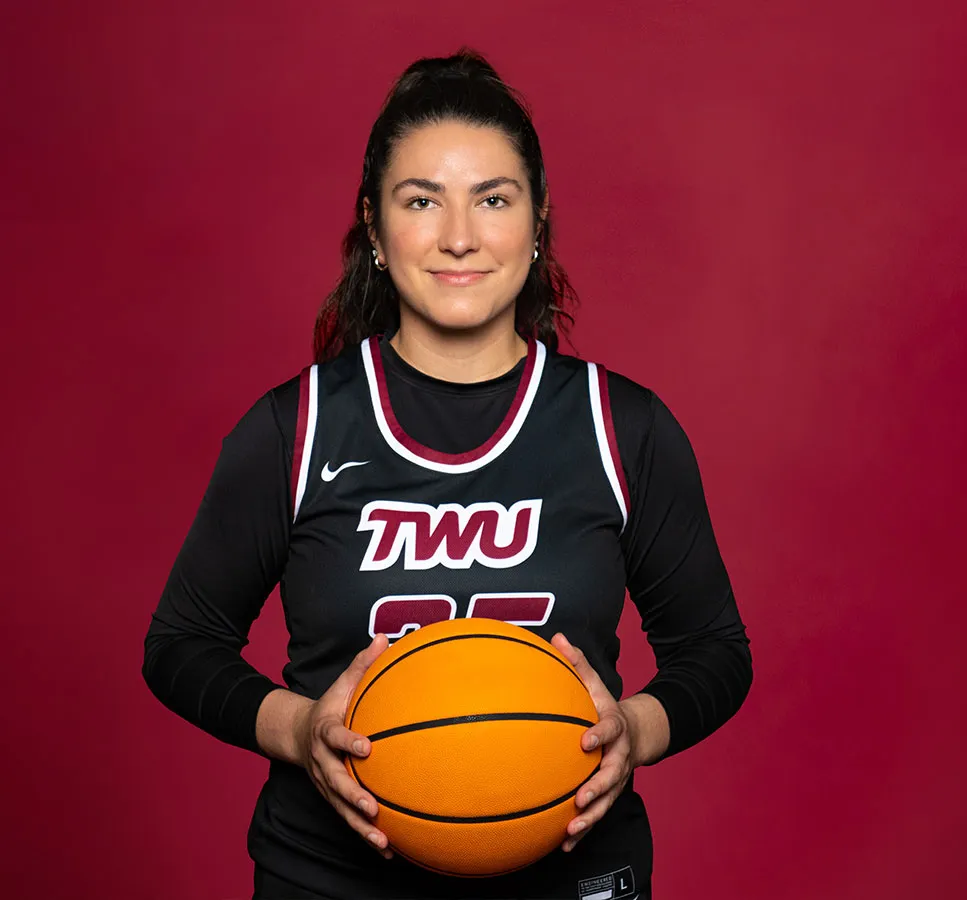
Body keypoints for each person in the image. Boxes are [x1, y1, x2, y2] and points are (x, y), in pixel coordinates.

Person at [141, 49, 753, 900]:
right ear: (376, 229)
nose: (458, 235)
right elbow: (179, 645)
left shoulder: (623, 430)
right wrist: (298, 728)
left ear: (537, 225)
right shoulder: (297, 427)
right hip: (329, 877)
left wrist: (636, 729)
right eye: (421, 200)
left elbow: (715, 652)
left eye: (493, 199)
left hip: (572, 873)